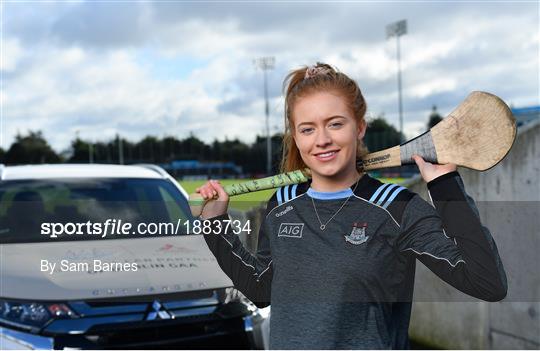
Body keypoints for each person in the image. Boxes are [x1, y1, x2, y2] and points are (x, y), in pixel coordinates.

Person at [196, 63, 507, 349]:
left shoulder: (397, 209)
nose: (322, 140)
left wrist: (445, 186)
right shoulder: (281, 203)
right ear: (296, 136)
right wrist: (214, 224)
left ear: (359, 127)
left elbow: (487, 282)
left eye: (335, 124)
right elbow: (261, 290)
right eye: (308, 129)